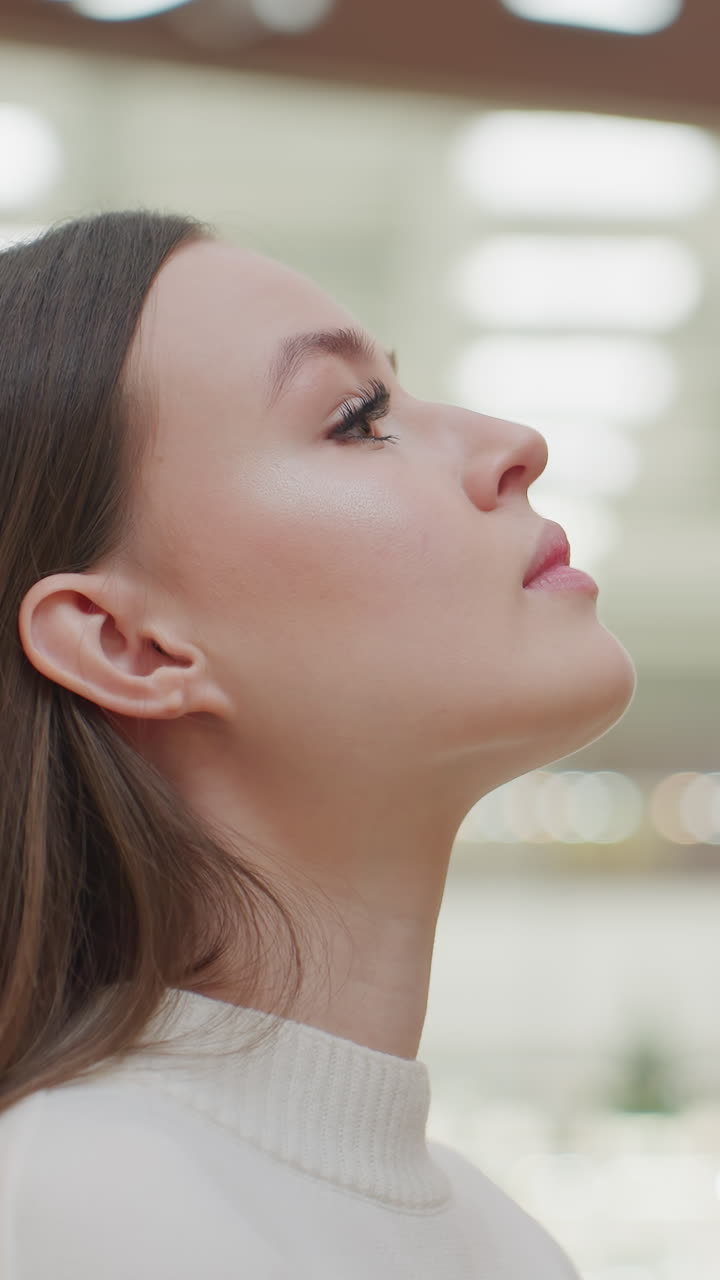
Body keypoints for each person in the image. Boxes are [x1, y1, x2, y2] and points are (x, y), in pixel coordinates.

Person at [0, 209, 635, 1279]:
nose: (514, 443)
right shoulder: (74, 1208)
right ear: (130, 644)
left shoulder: (504, 1240)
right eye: (358, 416)